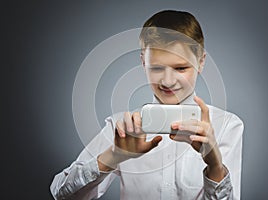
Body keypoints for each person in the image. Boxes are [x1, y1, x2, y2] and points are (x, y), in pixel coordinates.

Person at [50, 10, 244, 200]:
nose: (168, 81)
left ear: (200, 62)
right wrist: (113, 156)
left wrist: (215, 166)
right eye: (157, 68)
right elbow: (61, 194)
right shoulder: (123, 127)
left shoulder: (227, 126)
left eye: (180, 68)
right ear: (143, 62)